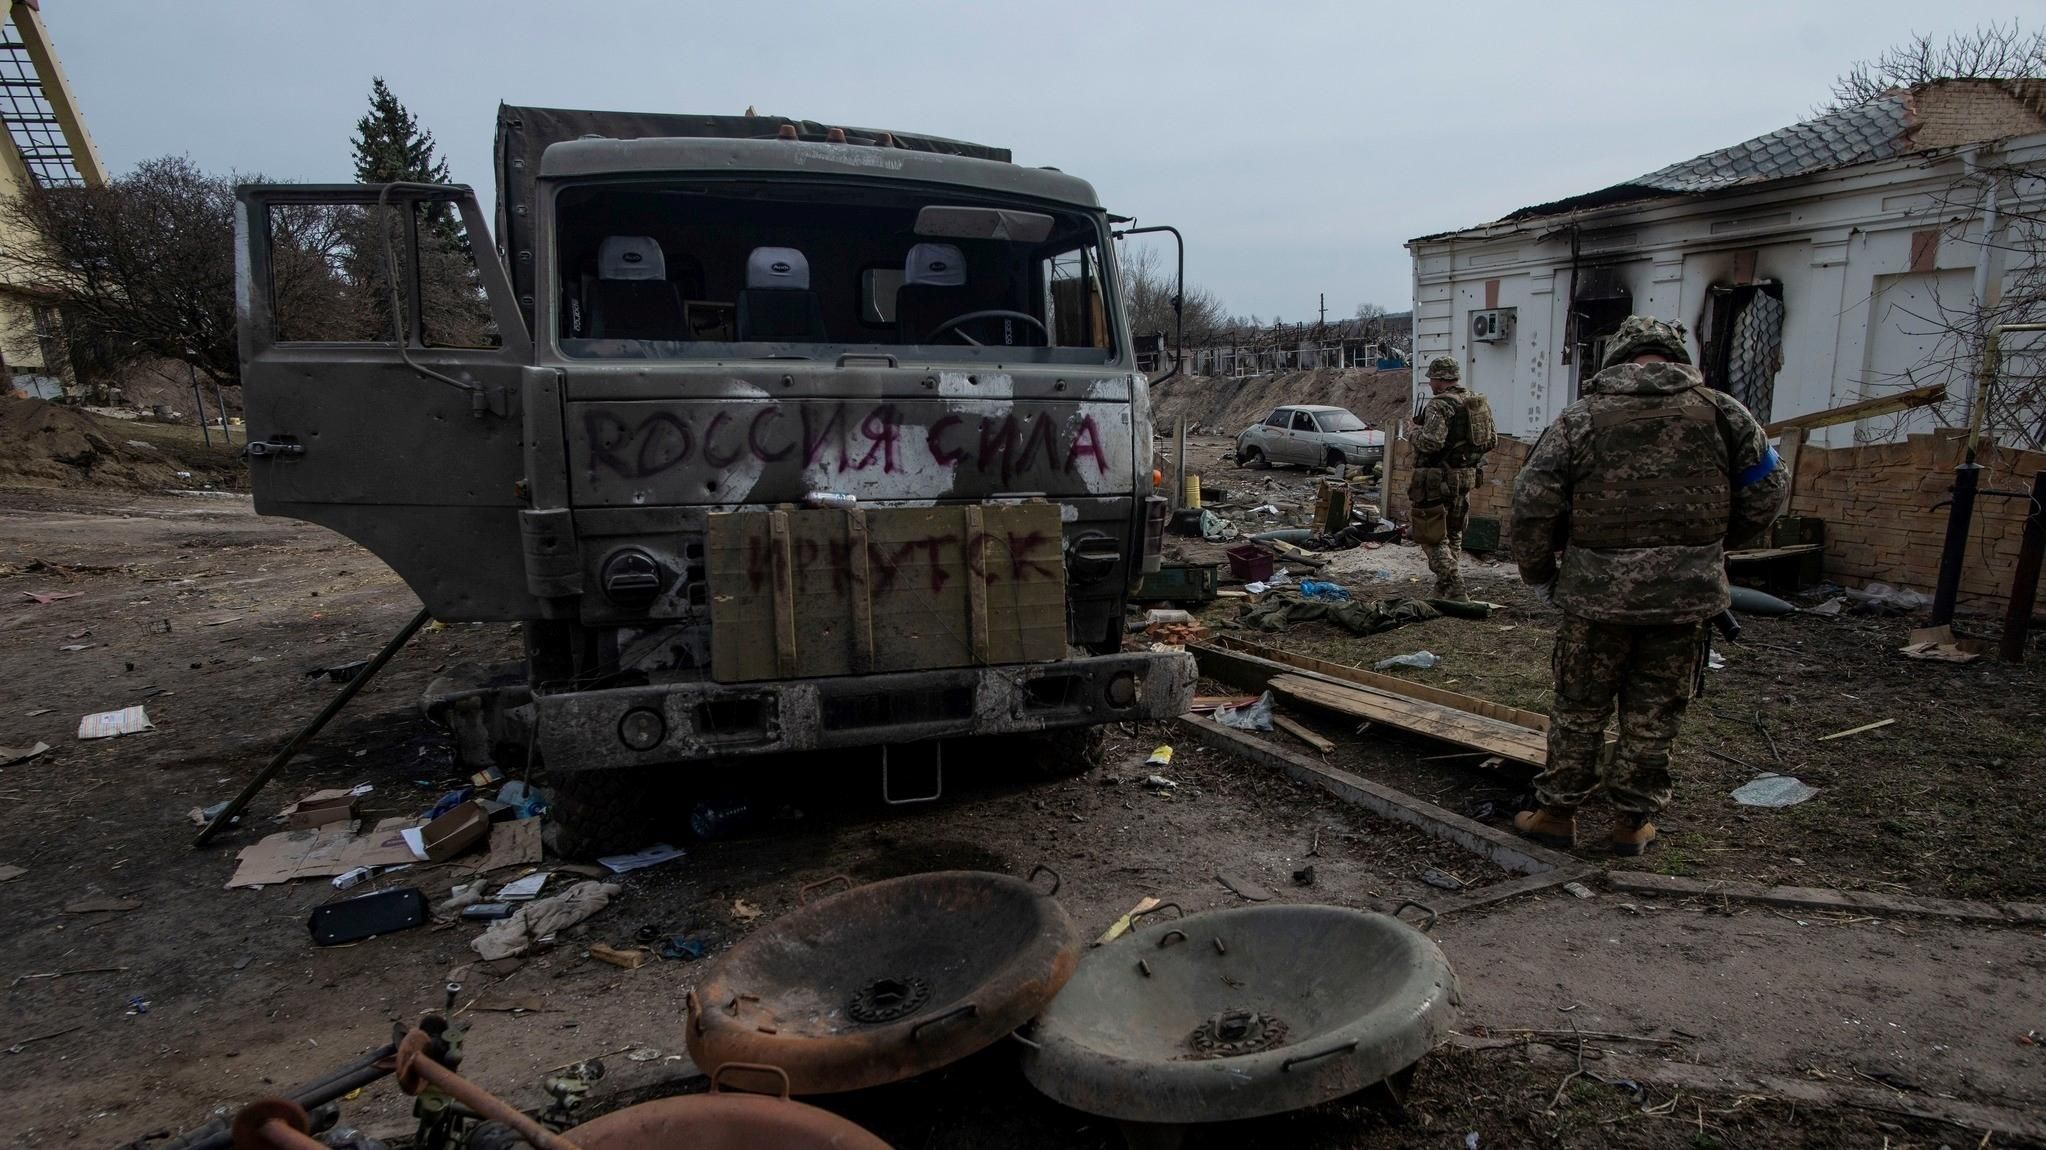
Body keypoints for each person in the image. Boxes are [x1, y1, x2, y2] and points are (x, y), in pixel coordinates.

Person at [1507, 316, 1784, 856]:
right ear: (1676, 356)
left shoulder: (1580, 419)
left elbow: (1532, 502)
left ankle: (1556, 815)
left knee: (1580, 708)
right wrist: (1712, 547)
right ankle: (1631, 825)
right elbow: (1768, 490)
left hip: (1596, 598)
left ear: (1618, 359)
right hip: (1686, 599)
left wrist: (1540, 575)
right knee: (1655, 712)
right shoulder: (1728, 414)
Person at [1408, 356, 1496, 600]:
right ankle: (1443, 588)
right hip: (1465, 477)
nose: (1430, 384)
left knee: (1431, 535)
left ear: (1439, 379)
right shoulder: (1477, 403)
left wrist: (1413, 433)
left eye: (1432, 379)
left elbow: (1431, 442)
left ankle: (1455, 585)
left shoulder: (1440, 405)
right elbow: (1492, 441)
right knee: (1454, 534)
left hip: (1437, 480)